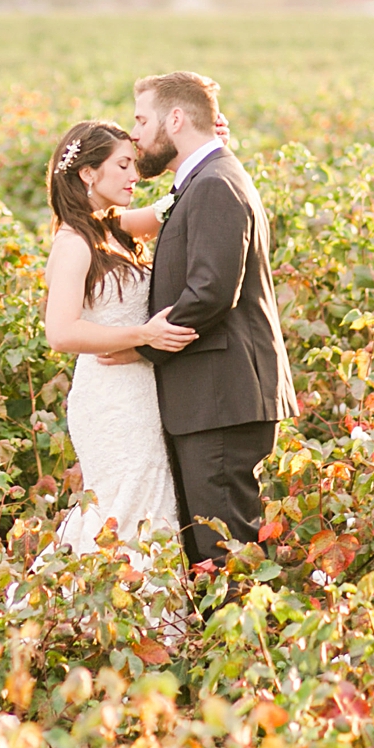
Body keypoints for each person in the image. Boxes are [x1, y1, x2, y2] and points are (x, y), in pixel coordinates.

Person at [105, 71, 298, 581]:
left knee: (226, 552)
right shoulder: (202, 177)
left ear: (175, 118)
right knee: (215, 551)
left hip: (221, 400)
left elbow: (212, 291)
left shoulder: (214, 182)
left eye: (142, 120)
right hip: (212, 399)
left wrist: (140, 346)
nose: (136, 134)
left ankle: (253, 652)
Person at [39, 121, 196, 562]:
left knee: (149, 497)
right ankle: (98, 610)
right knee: (125, 502)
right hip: (109, 398)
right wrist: (143, 334)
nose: (135, 176)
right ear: (88, 173)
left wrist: (212, 143)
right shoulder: (73, 242)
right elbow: (62, 331)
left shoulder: (112, 225)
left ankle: (147, 618)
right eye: (123, 165)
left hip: (140, 390)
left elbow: (179, 200)